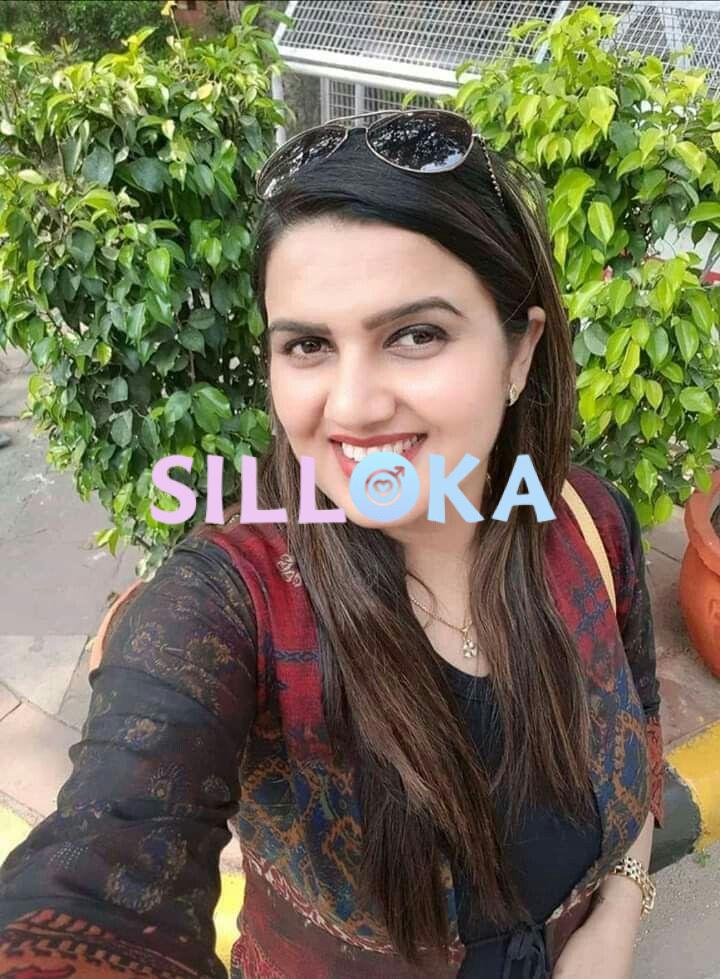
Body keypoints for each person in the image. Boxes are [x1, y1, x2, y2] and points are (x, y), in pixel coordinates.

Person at [0, 109, 664, 979]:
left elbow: (643, 724)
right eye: (309, 344)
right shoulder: (233, 604)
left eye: (416, 335)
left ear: (519, 351)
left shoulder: (587, 525)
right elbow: (100, 862)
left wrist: (619, 910)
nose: (352, 406)